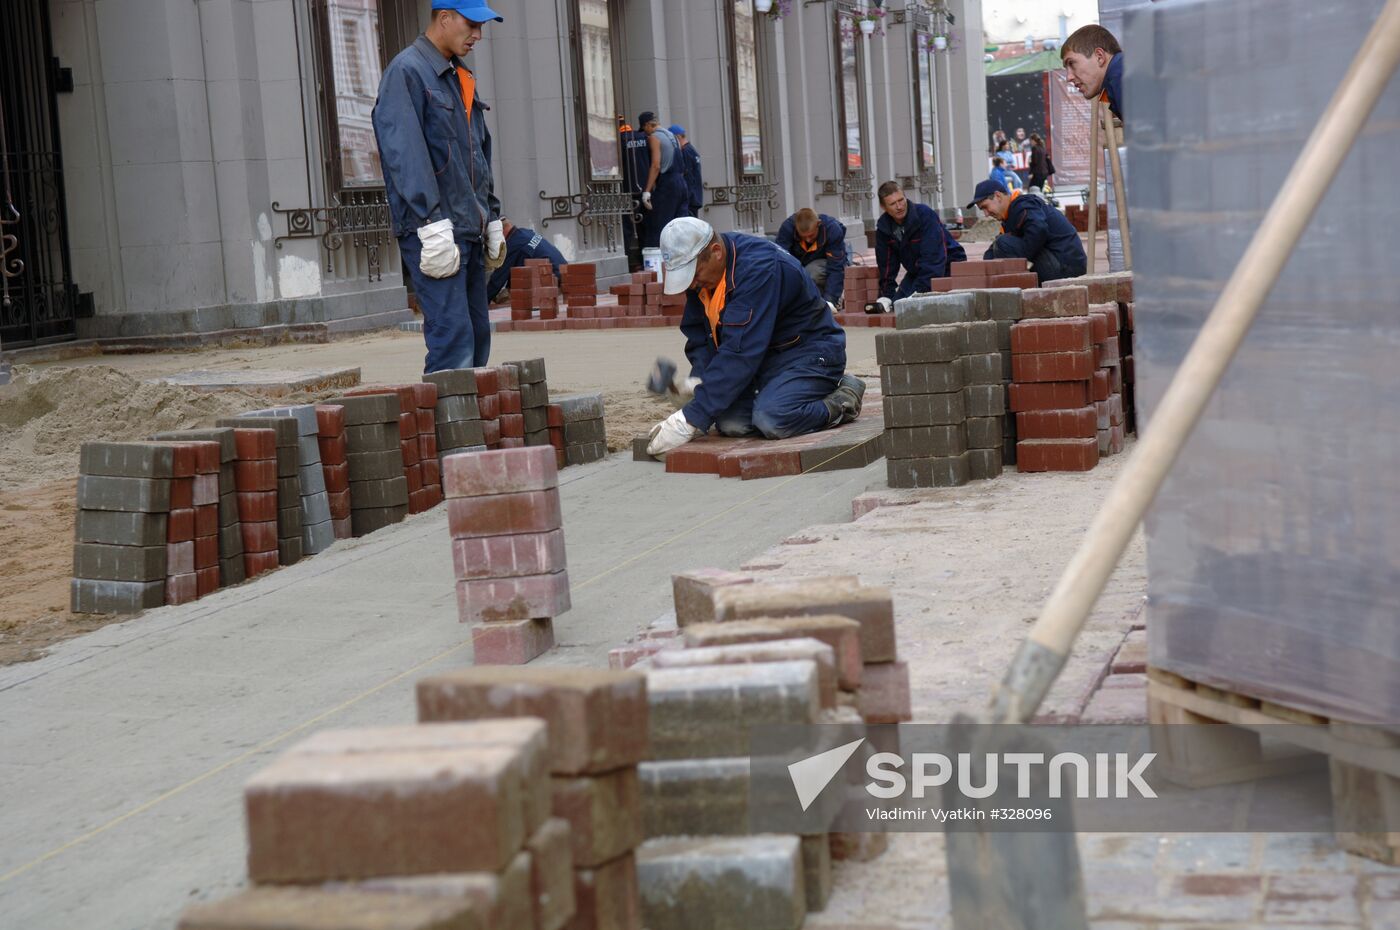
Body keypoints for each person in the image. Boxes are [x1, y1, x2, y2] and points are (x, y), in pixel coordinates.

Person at [644, 217, 865, 457]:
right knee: (732, 424)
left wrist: (688, 419)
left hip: (809, 353)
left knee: (772, 418)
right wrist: (700, 378)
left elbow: (740, 351)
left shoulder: (759, 269)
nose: (692, 283)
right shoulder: (704, 279)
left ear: (716, 251)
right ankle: (781, 393)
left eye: (693, 273)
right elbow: (700, 335)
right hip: (764, 359)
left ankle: (844, 398)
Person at [373, 1, 504, 373]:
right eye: (472, 24)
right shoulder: (407, 72)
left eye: (482, 26)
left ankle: (469, 422)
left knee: (477, 334)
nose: (478, 35)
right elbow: (404, 153)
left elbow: (478, 152)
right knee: (453, 338)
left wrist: (491, 215)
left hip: (467, 228)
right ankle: (449, 428)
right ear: (444, 18)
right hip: (433, 230)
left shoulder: (458, 76)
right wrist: (429, 221)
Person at [967, 180, 1085, 284]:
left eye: (985, 207)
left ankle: (1022, 287)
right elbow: (993, 251)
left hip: (1066, 268)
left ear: (998, 196)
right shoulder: (1011, 216)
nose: (986, 214)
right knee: (999, 246)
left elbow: (1039, 229)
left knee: (1003, 243)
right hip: (1059, 265)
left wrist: (1023, 262)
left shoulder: (1023, 205)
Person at [872, 181, 966, 312]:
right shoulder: (884, 227)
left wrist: (919, 291)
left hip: (947, 265)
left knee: (912, 305)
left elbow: (934, 258)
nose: (899, 206)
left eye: (901, 200)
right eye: (893, 204)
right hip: (917, 270)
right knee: (897, 303)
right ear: (884, 207)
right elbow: (886, 264)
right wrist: (885, 295)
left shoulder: (924, 215)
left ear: (905, 197)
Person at [774, 208, 847, 311]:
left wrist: (831, 300)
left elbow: (836, 267)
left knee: (812, 272)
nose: (808, 240)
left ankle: (835, 296)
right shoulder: (787, 229)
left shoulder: (832, 230)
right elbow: (780, 262)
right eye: (803, 237)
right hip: (799, 265)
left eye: (811, 235)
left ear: (819, 224)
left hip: (823, 265)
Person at [637, 112, 688, 248]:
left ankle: (657, 264)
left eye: (644, 130)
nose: (646, 134)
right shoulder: (673, 137)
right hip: (681, 184)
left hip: (668, 185)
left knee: (658, 227)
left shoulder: (654, 138)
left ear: (647, 125)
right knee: (679, 228)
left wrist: (646, 191)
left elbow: (656, 165)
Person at [486, 219, 568, 301]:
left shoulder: (512, 244)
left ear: (501, 232)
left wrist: (484, 300)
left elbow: (498, 279)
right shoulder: (525, 233)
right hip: (565, 273)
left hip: (553, 283)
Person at [1061, 24, 1122, 120]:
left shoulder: (1123, 79)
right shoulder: (1118, 80)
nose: (1069, 77)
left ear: (1099, 57)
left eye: (1072, 63)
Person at [619, 118, 651, 270]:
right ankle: (645, 261)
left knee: (627, 228)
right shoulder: (643, 137)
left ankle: (630, 262)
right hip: (645, 188)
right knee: (645, 226)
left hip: (626, 190)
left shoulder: (618, 140)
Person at [671, 125, 704, 218]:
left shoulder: (685, 151)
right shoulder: (691, 149)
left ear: (678, 137)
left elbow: (688, 175)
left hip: (690, 198)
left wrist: (685, 197)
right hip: (695, 196)